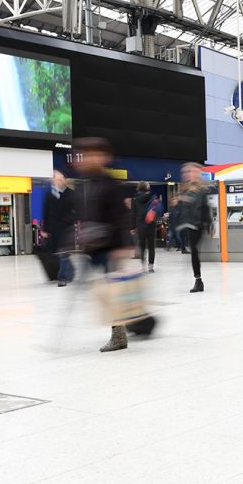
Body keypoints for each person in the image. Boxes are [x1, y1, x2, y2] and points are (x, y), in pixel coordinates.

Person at [76, 138, 156, 352]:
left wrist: (124, 245)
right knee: (108, 291)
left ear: (103, 157)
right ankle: (129, 326)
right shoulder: (91, 182)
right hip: (97, 246)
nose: (87, 159)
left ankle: (120, 334)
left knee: (113, 291)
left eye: (92, 154)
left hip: (110, 246)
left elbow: (120, 216)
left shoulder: (108, 183)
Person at [178, 163, 213, 293]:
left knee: (194, 251)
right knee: (194, 251)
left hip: (198, 224)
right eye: (188, 172)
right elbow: (185, 208)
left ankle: (198, 281)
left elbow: (205, 207)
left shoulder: (201, 189)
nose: (190, 174)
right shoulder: (187, 189)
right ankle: (198, 280)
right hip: (190, 224)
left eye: (192, 172)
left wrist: (209, 224)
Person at [41, 170, 79, 286]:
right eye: (58, 179)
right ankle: (71, 271)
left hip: (66, 229)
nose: (61, 181)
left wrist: (69, 221)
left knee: (64, 253)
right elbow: (46, 213)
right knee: (58, 253)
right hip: (53, 230)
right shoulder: (49, 195)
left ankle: (62, 278)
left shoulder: (71, 194)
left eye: (62, 179)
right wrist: (44, 229)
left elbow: (77, 212)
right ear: (53, 180)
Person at [131, 181, 158, 273]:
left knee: (142, 246)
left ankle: (143, 266)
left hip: (140, 225)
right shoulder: (152, 196)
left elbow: (133, 213)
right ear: (147, 188)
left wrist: (132, 227)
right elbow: (156, 210)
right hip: (150, 224)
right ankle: (151, 267)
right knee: (151, 246)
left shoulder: (134, 199)